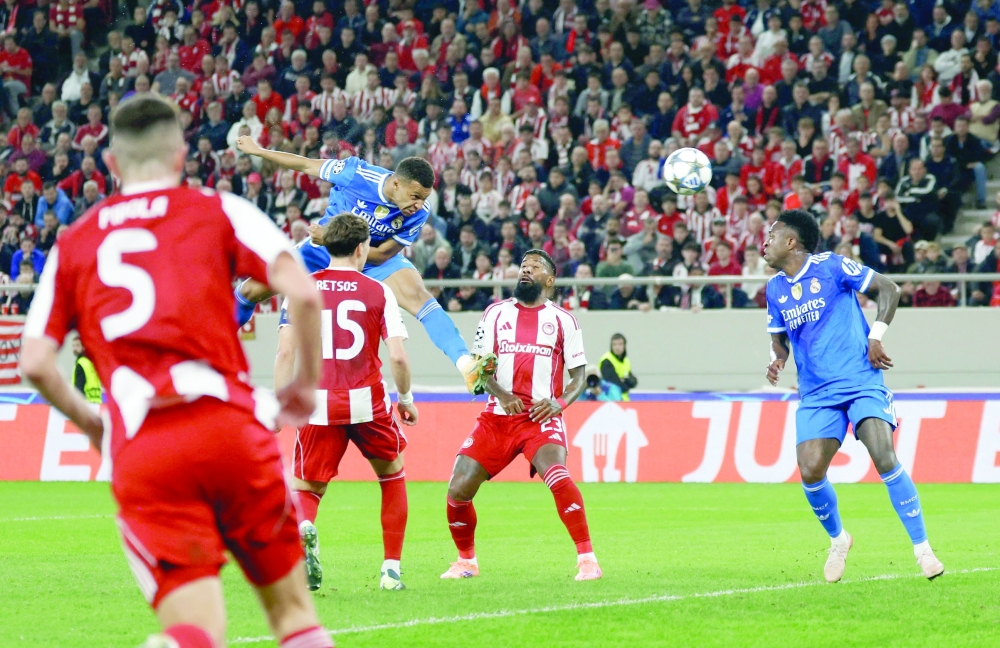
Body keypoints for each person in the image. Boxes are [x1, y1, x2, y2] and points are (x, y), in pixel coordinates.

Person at [18, 96, 335, 648]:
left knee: (193, 630)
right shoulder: (219, 209)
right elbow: (304, 293)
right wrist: (300, 390)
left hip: (145, 449)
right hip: (229, 426)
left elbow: (35, 361)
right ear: (181, 154)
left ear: (111, 165)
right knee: (294, 620)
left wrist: (96, 427)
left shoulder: (75, 241)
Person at [763, 209, 944, 584]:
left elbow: (889, 289)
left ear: (792, 242)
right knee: (810, 470)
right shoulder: (775, 288)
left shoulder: (830, 266)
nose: (765, 241)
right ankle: (839, 540)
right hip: (815, 392)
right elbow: (779, 339)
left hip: (860, 380)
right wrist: (776, 360)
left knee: (883, 454)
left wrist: (875, 336)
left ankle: (922, 549)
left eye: (772, 235)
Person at [234, 139, 497, 394]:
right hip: (323, 250)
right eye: (415, 196)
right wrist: (259, 151)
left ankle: (466, 364)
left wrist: (332, 237)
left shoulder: (419, 210)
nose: (419, 204)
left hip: (369, 255)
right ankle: (208, 345)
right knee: (250, 292)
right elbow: (305, 165)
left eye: (424, 198)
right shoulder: (356, 173)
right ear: (396, 183)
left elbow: (383, 254)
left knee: (420, 296)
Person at [277, 213, 417, 593]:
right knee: (391, 474)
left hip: (318, 402)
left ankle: (305, 528)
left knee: (307, 488)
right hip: (366, 401)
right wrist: (405, 399)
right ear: (361, 248)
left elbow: (285, 353)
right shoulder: (378, 291)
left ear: (325, 245)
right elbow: (399, 357)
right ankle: (390, 571)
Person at [442, 249, 599, 582]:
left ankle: (587, 560)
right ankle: (466, 561)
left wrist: (560, 403)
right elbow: (476, 369)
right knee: (457, 489)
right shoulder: (495, 314)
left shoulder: (563, 320)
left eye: (535, 267)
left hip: (541, 418)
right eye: (523, 266)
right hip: (497, 417)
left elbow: (580, 376)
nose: (526, 270)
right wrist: (502, 394)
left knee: (557, 475)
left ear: (550, 280)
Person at [599, 333, 638, 401]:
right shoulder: (606, 361)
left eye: (620, 344)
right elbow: (615, 383)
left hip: (624, 400)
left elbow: (634, 381)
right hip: (609, 400)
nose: (617, 347)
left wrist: (625, 380)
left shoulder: (626, 361)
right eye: (614, 344)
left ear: (624, 346)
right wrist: (626, 384)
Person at [71, 333, 101, 404]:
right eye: (73, 346)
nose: (74, 348)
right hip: (97, 402)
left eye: (77, 345)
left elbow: (79, 387)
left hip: (85, 403)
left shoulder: (81, 363)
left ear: (84, 347)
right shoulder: (91, 362)